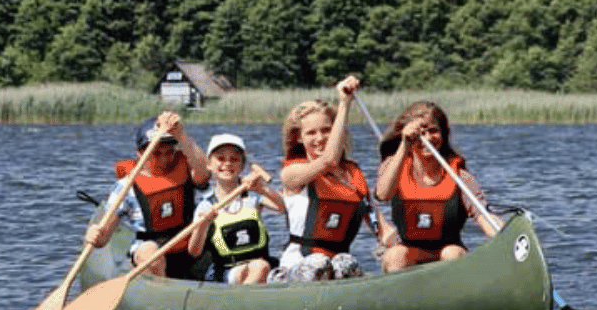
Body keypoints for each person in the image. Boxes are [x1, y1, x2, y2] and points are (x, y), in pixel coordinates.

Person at [273, 74, 386, 281]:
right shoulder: (291, 174)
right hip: (298, 265)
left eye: (326, 130)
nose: (319, 139)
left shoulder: (353, 175)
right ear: (299, 138)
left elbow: (381, 228)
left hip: (338, 265)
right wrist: (344, 103)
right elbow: (328, 161)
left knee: (346, 263)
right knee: (319, 263)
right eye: (311, 133)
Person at [374, 100, 498, 272]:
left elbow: (484, 217)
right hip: (409, 253)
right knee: (396, 255)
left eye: (433, 131)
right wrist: (405, 144)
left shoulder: (460, 177)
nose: (427, 138)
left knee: (453, 253)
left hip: (446, 251)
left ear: (443, 135)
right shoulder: (394, 166)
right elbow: (383, 194)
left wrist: (508, 237)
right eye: (419, 133)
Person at [85, 111, 210, 279]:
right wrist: (94, 234)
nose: (164, 159)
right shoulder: (126, 187)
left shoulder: (187, 169)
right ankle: (160, 294)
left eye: (169, 152)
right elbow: (103, 238)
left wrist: (180, 134)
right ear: (140, 153)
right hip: (149, 251)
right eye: (156, 153)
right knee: (150, 251)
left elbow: (204, 172)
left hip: (189, 248)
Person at [185, 132, 286, 285]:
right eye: (220, 158)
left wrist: (262, 189)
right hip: (225, 272)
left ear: (242, 165)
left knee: (262, 267)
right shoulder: (206, 206)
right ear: (209, 164)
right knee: (260, 267)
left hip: (258, 267)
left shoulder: (252, 197)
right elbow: (194, 251)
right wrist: (203, 225)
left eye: (234, 159)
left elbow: (282, 207)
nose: (227, 164)